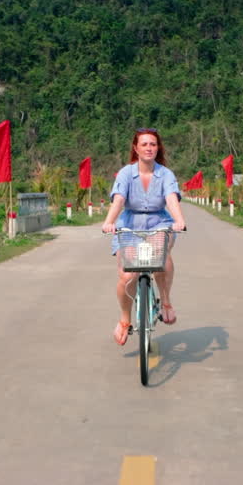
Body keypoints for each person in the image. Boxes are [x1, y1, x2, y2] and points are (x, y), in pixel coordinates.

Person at [101, 128, 187, 346]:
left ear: (158, 148)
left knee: (161, 254)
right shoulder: (126, 174)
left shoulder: (165, 174)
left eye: (153, 144)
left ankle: (165, 301)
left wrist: (178, 220)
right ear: (136, 148)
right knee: (128, 275)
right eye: (144, 144)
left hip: (159, 222)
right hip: (130, 225)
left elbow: (171, 198)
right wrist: (109, 221)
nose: (149, 148)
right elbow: (119, 200)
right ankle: (124, 318)